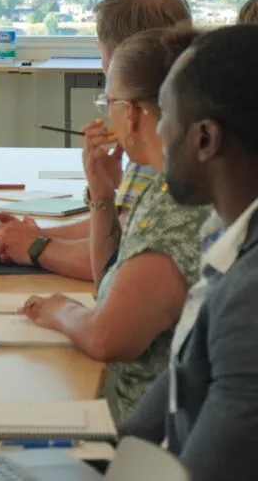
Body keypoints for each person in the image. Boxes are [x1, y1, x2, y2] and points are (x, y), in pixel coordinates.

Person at [19, 28, 211, 421]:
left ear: (134, 113)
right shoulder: (161, 183)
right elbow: (108, 280)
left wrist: (57, 310)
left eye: (109, 102)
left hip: (139, 436)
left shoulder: (180, 203)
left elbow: (107, 336)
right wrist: (103, 195)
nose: (107, 115)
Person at [0, 0, 192, 280]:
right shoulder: (183, 117)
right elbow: (121, 226)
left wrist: (36, 246)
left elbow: (121, 265)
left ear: (127, 58)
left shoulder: (160, 140)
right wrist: (35, 234)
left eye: (103, 54)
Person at [120, 24, 258, 481]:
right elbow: (143, 428)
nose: (157, 129)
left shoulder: (250, 295)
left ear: (205, 138)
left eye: (165, 115)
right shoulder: (226, 241)